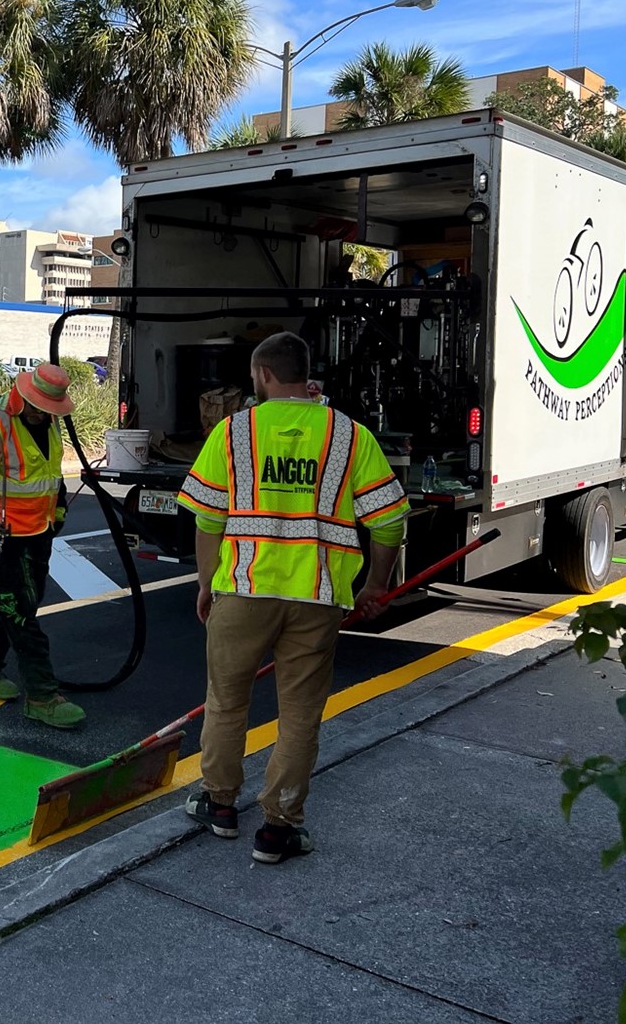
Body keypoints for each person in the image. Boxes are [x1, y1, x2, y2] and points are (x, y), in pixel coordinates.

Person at [176, 331, 409, 864]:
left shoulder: (234, 433)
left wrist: (206, 584)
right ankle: (279, 827)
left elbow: (209, 520)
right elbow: (390, 520)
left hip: (243, 591)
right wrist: (375, 585)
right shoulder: (350, 436)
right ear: (306, 376)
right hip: (318, 597)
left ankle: (220, 804)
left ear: (260, 375)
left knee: (226, 701)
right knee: (300, 715)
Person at [0, 363, 84, 729]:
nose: (44, 413)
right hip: (5, 535)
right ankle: (42, 696)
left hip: (40, 532)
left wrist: (59, 506)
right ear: (25, 395)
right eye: (39, 405)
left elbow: (49, 471)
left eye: (50, 408)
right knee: (21, 613)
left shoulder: (49, 423)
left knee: (13, 606)